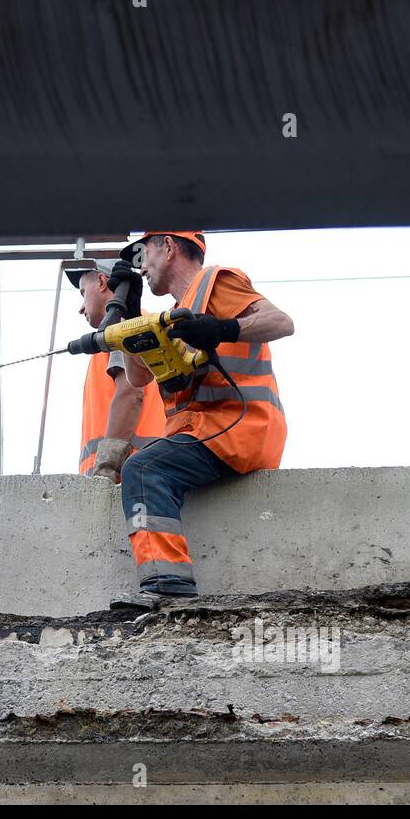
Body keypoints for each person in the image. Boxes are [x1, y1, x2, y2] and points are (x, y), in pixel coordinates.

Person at [109, 231, 294, 610]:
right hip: (201, 433)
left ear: (169, 247)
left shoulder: (215, 282)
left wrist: (224, 328)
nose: (141, 268)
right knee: (148, 465)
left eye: (144, 254)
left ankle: (167, 583)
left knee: (143, 470)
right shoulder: (168, 315)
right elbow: (139, 378)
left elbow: (281, 322)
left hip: (239, 427)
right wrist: (129, 320)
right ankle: (166, 580)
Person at [68, 258, 166, 482]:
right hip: (142, 473)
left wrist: (105, 470)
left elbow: (130, 394)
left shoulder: (120, 328)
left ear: (102, 282)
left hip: (124, 476)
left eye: (83, 293)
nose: (81, 307)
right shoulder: (137, 324)